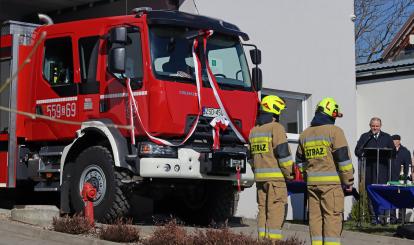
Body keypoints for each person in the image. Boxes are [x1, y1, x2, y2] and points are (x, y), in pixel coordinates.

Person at [295, 97, 354, 245]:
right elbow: (343, 160)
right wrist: (348, 181)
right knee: (332, 219)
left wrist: (307, 176)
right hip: (332, 186)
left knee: (315, 219)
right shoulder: (335, 131)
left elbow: (300, 161)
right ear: (330, 114)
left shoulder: (305, 134)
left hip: (312, 185)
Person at [249, 95, 294, 241]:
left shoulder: (254, 131)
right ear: (275, 110)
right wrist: (290, 174)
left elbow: (250, 157)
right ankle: (273, 242)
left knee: (263, 210)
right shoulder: (276, 128)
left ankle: (262, 240)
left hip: (260, 180)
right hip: (276, 180)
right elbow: (283, 155)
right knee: (276, 211)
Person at [354, 117, 395, 225]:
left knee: (382, 194)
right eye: (373, 126)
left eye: (377, 126)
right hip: (369, 171)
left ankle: (383, 218)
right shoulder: (365, 136)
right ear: (370, 125)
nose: (375, 128)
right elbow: (357, 150)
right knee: (371, 194)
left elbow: (393, 152)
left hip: (383, 172)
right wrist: (362, 153)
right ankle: (373, 217)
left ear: (380, 126)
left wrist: (387, 152)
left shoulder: (387, 137)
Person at [390, 134, 412, 224]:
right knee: (391, 198)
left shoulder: (405, 151)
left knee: (401, 198)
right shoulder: (390, 151)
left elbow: (407, 165)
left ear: (399, 141)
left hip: (401, 179)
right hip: (391, 179)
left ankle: (401, 219)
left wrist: (406, 177)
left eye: (396, 140)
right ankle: (392, 219)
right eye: (393, 140)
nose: (395, 142)